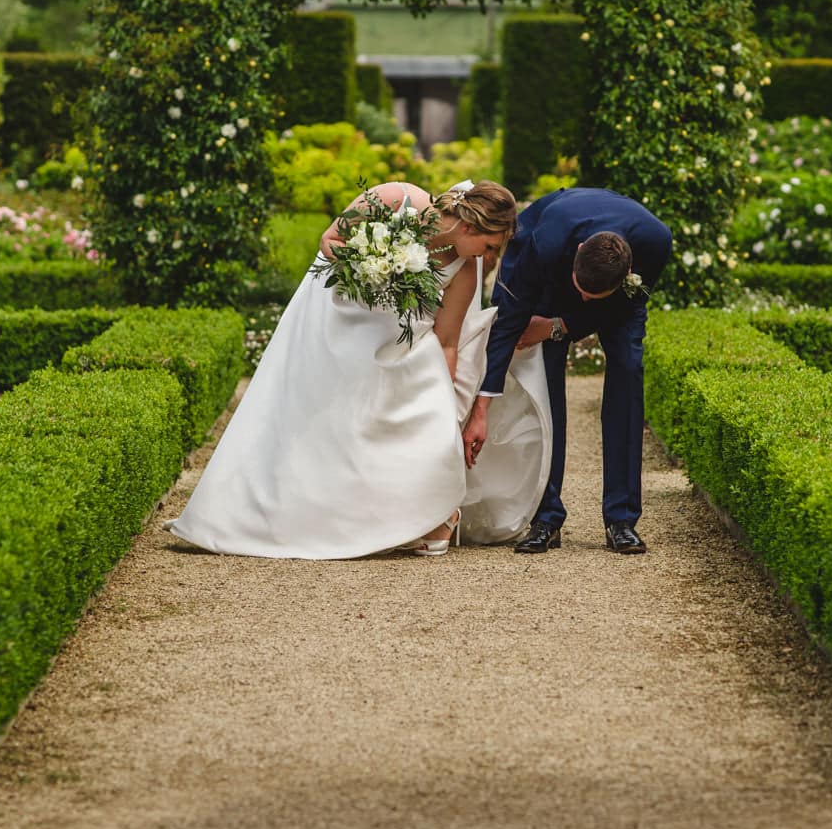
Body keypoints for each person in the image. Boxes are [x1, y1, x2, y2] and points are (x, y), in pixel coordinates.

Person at [163, 179, 553, 559]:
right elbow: (329, 241)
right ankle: (279, 512)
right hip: (337, 317)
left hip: (398, 342)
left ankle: (430, 515)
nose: (489, 258)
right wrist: (374, 266)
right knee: (312, 418)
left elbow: (448, 341)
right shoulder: (394, 198)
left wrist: (447, 404)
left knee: (424, 417)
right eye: (489, 246)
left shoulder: (464, 271)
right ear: (468, 226)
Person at [461, 187, 671, 555]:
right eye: (583, 292)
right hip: (548, 281)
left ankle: (621, 519)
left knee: (628, 369)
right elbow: (509, 325)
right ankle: (546, 516)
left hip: (618, 304)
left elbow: (618, 308)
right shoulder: (542, 245)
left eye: (593, 297)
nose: (586, 301)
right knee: (543, 384)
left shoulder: (656, 242)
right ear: (576, 257)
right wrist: (482, 406)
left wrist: (560, 325)